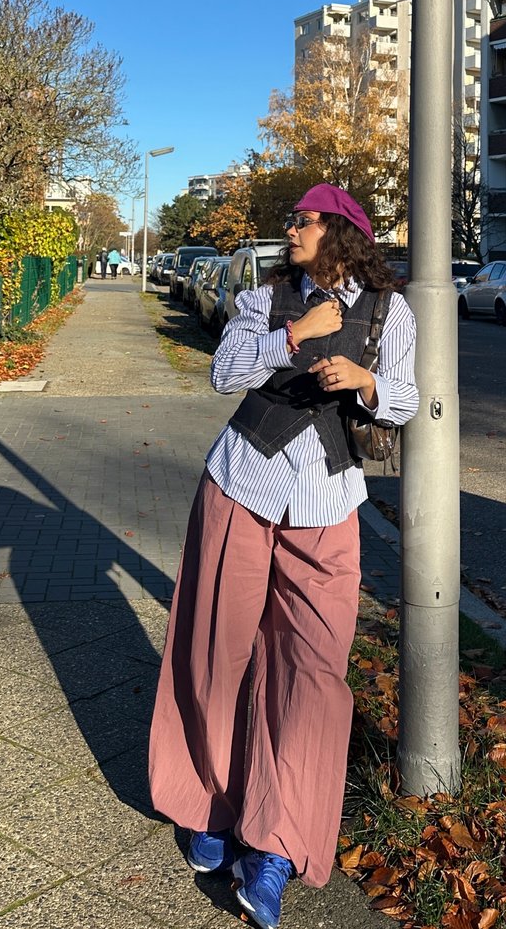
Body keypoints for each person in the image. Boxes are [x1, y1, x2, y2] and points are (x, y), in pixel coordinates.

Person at [149, 184, 418, 929]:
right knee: (218, 651)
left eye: (300, 220)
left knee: (312, 671)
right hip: (241, 481)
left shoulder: (392, 311)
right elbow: (222, 372)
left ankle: (273, 844)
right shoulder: (266, 299)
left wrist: (366, 382)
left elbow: (405, 396)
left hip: (329, 503)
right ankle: (210, 802)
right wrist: (293, 335)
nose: (289, 228)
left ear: (340, 231)